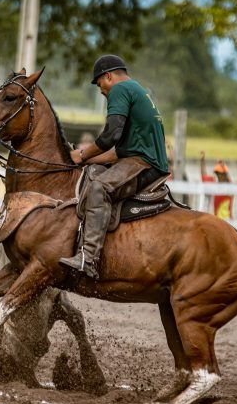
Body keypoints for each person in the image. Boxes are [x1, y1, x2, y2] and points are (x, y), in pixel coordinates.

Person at [59, 55, 170, 279]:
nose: (101, 91)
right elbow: (118, 150)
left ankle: (88, 258)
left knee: (99, 187)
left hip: (143, 164)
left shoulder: (120, 90)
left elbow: (111, 135)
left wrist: (81, 154)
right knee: (93, 173)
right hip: (136, 159)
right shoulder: (136, 90)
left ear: (108, 76)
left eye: (100, 85)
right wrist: (86, 159)